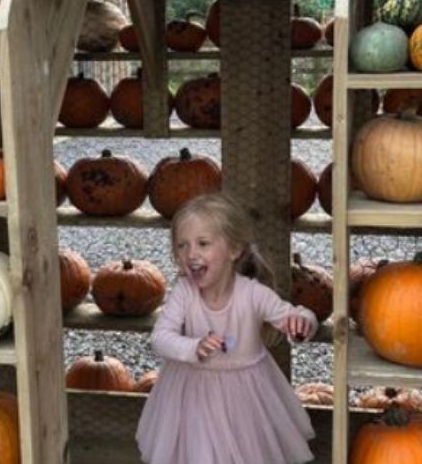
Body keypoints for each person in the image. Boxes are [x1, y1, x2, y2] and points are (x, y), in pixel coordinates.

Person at [136, 192, 318, 464]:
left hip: (246, 398)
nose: (191, 254)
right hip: (193, 394)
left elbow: (292, 316)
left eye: (203, 243)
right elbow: (160, 337)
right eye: (182, 246)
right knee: (199, 453)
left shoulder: (253, 295)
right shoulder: (184, 293)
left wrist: (303, 322)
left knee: (248, 453)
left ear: (234, 249)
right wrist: (192, 346)